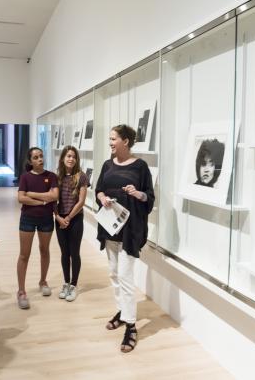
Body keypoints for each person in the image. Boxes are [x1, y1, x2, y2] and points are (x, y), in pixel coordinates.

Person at [95, 124, 154, 353]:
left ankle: (131, 326)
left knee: (125, 276)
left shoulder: (140, 167)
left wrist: (135, 193)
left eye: (113, 139)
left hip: (130, 230)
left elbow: (149, 197)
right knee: (113, 272)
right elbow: (99, 189)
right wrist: (102, 199)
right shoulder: (107, 164)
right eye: (110, 139)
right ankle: (123, 311)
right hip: (111, 226)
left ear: (126, 141)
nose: (110, 143)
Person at [16, 147, 59, 309]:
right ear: (30, 161)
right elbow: (21, 198)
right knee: (24, 255)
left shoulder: (51, 176)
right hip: (27, 218)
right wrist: (42, 201)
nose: (40, 159)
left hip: (46, 219)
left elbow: (54, 196)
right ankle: (21, 291)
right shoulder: (25, 177)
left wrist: (31, 194)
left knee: (44, 250)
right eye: (36, 157)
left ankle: (43, 281)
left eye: (41, 156)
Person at [54, 146, 88, 302]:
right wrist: (58, 217)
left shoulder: (81, 177)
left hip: (75, 220)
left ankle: (74, 285)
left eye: (73, 156)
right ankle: (66, 283)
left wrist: (68, 217)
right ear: (62, 158)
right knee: (64, 253)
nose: (71, 159)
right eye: (68, 156)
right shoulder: (56, 177)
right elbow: (52, 201)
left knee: (75, 253)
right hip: (59, 220)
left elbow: (81, 202)